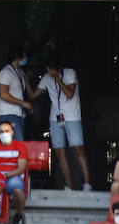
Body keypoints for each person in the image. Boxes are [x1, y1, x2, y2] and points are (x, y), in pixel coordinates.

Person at [35, 59, 89, 190]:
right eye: (47, 70)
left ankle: (87, 184)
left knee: (78, 150)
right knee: (59, 152)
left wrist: (58, 79)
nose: (49, 72)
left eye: (51, 69)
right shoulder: (47, 77)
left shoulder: (70, 73)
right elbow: (34, 94)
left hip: (73, 117)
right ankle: (68, 186)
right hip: (56, 118)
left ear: (59, 68)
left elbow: (69, 94)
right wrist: (24, 78)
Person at [0, 123, 28, 224]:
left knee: (17, 190)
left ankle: (19, 214)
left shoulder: (20, 146)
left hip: (13, 176)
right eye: (1, 132)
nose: (4, 133)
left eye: (7, 131)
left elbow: (21, 168)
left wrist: (6, 175)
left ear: (12, 132)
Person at [0, 49, 31, 140]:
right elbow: (3, 94)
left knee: (17, 144)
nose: (26, 59)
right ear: (18, 57)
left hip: (18, 114)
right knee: (17, 143)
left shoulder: (18, 72)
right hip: (8, 113)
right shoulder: (7, 72)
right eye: (24, 56)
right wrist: (23, 103)